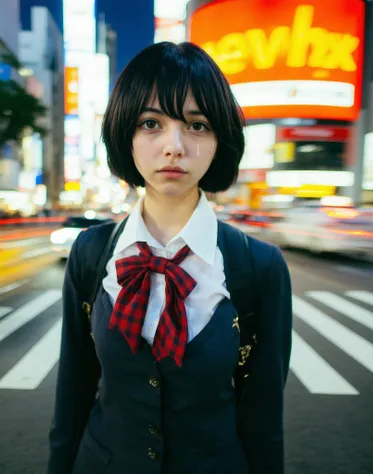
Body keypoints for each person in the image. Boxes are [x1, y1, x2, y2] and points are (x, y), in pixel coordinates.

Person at [47, 41, 292, 474]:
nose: (174, 146)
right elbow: (73, 392)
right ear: (126, 134)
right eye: (150, 123)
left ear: (220, 140)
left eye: (197, 125)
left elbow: (264, 418)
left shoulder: (259, 267)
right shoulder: (90, 253)